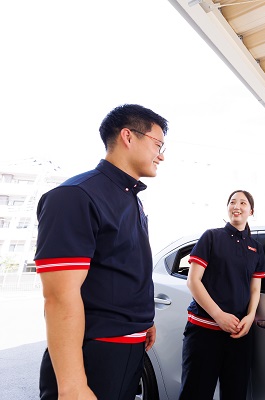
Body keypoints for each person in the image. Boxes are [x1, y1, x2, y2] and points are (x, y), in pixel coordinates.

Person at [34, 104, 168, 400]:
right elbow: (58, 295)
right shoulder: (75, 196)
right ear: (128, 137)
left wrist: (143, 321)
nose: (161, 155)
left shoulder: (131, 199)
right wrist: (72, 385)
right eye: (158, 144)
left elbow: (121, 270)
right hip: (94, 352)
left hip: (130, 348)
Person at [179, 190, 265, 400]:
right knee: (195, 394)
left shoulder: (256, 248)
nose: (237, 206)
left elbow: (255, 288)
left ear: (251, 211)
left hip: (238, 334)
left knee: (235, 394)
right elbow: (193, 281)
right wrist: (219, 316)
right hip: (204, 332)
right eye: (233, 202)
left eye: (243, 203)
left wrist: (249, 317)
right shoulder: (211, 237)